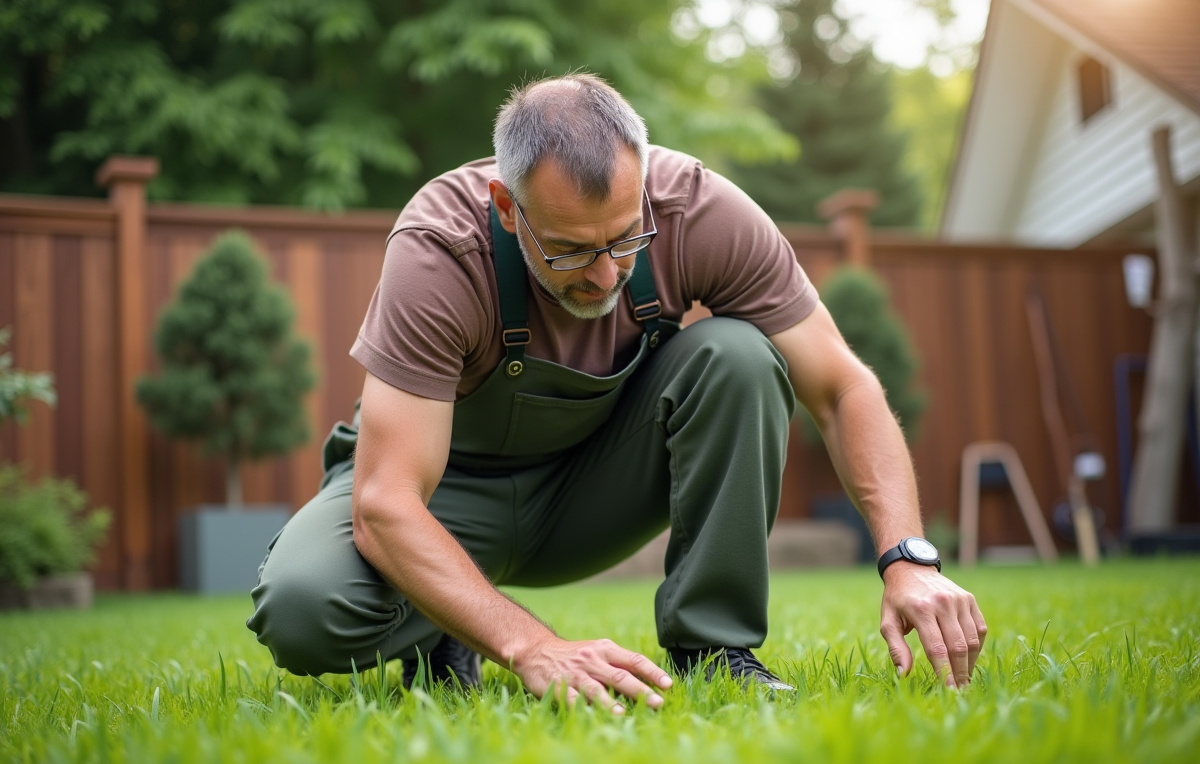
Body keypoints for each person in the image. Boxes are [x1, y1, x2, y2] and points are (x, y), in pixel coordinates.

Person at [247, 73, 986, 713]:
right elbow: (385, 504)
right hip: (445, 498)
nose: (604, 275)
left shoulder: (698, 209)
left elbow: (841, 386)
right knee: (304, 611)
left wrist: (908, 558)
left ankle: (715, 650)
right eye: (569, 249)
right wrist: (531, 646)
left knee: (738, 355)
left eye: (624, 240)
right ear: (509, 208)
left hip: (591, 488)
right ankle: (448, 632)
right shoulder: (441, 248)